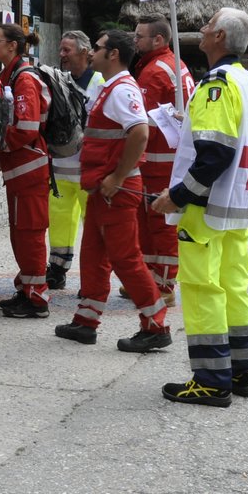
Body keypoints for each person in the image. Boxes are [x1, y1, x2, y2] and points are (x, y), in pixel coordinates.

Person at [150, 8, 248, 406]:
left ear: (218, 36)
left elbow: (214, 154)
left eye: (207, 25)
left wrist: (178, 195)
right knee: (234, 287)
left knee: (202, 288)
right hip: (238, 204)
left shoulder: (217, 82)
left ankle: (211, 379)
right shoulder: (247, 82)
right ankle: (239, 371)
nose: (199, 30)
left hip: (207, 204)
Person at [53, 29, 170, 351]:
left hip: (114, 190)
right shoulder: (112, 87)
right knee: (93, 255)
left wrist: (117, 178)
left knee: (126, 259)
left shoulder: (121, 90)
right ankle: (86, 321)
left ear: (113, 54)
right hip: (102, 189)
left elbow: (140, 133)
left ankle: (155, 325)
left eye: (99, 47)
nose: (93, 53)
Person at [0, 22, 52, 318]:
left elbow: (24, 128)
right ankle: (26, 288)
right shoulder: (9, 76)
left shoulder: (24, 80)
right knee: (20, 234)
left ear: (13, 46)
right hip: (20, 171)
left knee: (29, 234)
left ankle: (37, 299)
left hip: (29, 172)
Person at [132, 19, 195, 303]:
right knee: (154, 222)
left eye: (139, 36)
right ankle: (151, 277)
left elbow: (142, 125)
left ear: (158, 40)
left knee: (159, 222)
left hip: (158, 161)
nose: (134, 41)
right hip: (170, 158)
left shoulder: (154, 72)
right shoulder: (176, 64)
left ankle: (164, 285)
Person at [46, 30, 105, 290]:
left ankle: (92, 278)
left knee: (93, 229)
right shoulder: (60, 80)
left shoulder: (102, 83)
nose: (62, 55)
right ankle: (57, 267)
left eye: (66, 50)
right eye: (60, 50)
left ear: (84, 52)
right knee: (58, 221)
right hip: (59, 170)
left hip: (87, 171)